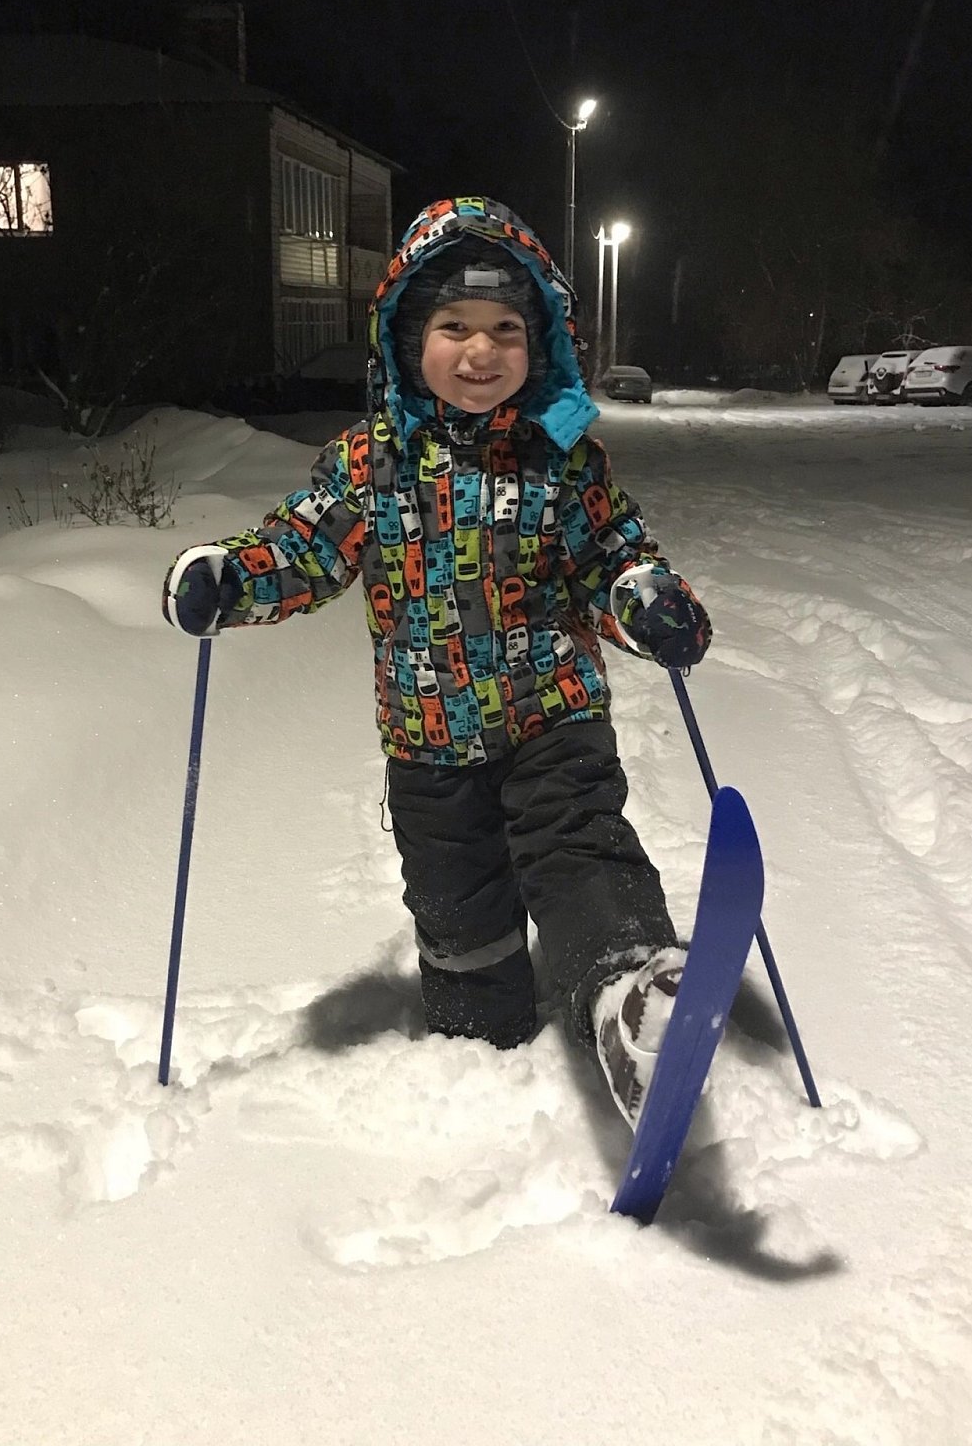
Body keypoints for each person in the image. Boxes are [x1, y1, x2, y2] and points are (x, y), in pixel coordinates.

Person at [162, 196, 711, 1127]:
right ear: (407, 341)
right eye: (454, 326)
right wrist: (232, 577)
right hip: (427, 737)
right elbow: (305, 550)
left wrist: (646, 599)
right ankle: (482, 1044)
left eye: (506, 329)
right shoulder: (368, 465)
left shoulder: (563, 459)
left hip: (553, 711)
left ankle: (633, 995)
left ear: (541, 344)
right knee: (459, 914)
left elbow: (609, 558)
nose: (480, 350)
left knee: (579, 847)